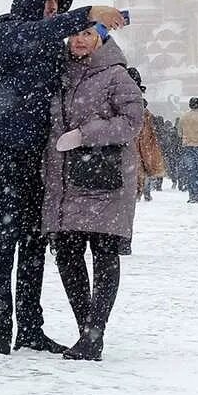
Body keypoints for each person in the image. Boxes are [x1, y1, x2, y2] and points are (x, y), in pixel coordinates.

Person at [0, 0, 124, 356]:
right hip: (2, 151)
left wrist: (101, 36)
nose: (52, 9)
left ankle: (29, 328)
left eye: (58, 5)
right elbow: (35, 34)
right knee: (2, 243)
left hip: (37, 154)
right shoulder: (7, 29)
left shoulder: (50, 42)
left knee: (34, 243)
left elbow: (86, 58)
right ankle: (0, 330)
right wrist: (88, 11)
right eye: (48, 1)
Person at [43, 25, 144, 361]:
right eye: (73, 34)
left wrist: (86, 134)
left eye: (87, 34)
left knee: (103, 254)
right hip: (66, 180)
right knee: (68, 256)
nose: (79, 40)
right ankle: (85, 330)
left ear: (101, 39)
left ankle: (94, 333)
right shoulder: (59, 75)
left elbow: (132, 121)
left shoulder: (116, 75)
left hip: (105, 178)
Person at [128, 67, 166, 206]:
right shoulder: (143, 114)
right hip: (132, 162)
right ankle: (146, 192)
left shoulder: (108, 101)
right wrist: (151, 166)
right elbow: (146, 142)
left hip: (110, 163)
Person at [178, 97, 198, 204]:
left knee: (191, 172)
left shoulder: (184, 117)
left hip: (187, 146)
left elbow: (179, 133)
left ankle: (192, 194)